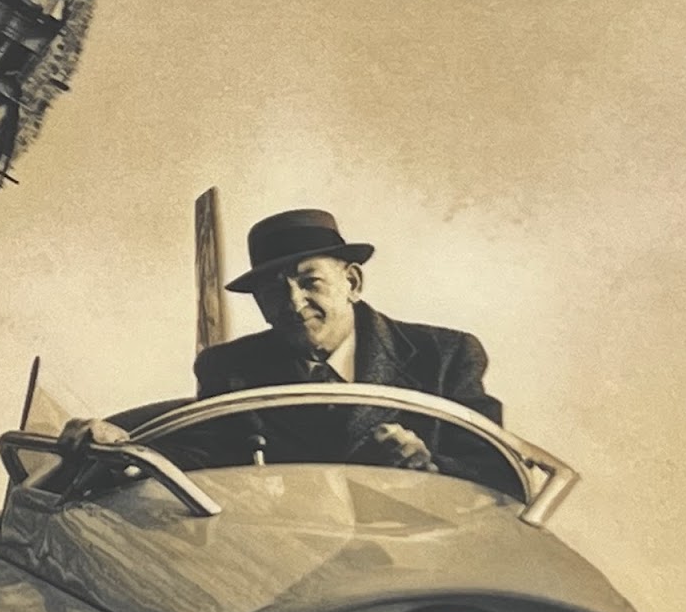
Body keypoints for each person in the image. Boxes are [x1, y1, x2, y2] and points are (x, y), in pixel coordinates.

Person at [193, 208, 506, 485]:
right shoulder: (228, 369)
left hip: (415, 546)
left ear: (353, 283)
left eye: (309, 282)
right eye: (273, 290)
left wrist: (431, 467)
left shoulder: (444, 357)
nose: (294, 303)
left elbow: (499, 475)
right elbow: (196, 463)